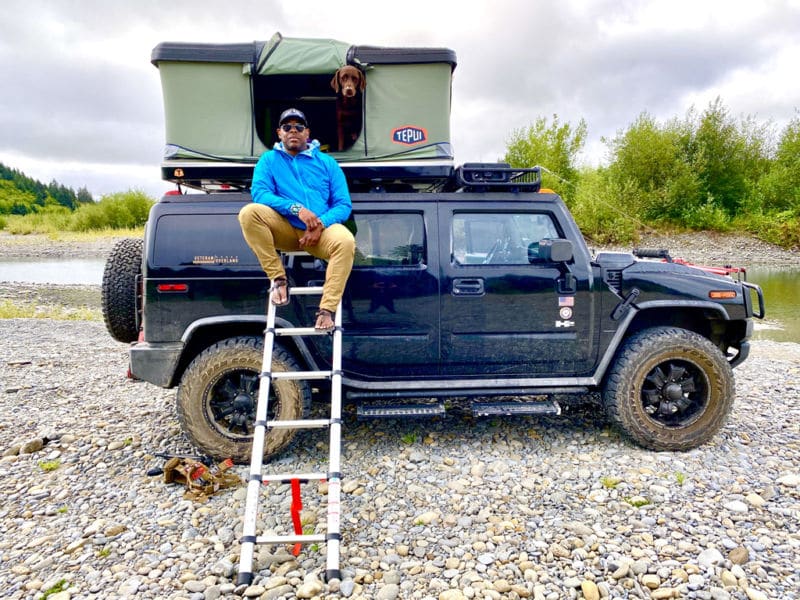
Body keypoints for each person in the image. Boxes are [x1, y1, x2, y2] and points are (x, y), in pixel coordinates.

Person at [238, 108, 355, 331]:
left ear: (307, 132)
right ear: (279, 132)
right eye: (287, 127)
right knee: (249, 213)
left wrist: (320, 224)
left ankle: (326, 310)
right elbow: (260, 193)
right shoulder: (268, 160)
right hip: (284, 228)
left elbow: (343, 205)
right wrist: (296, 209)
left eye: (299, 127)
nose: (293, 131)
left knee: (345, 241)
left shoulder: (327, 163)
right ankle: (279, 280)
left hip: (321, 233)